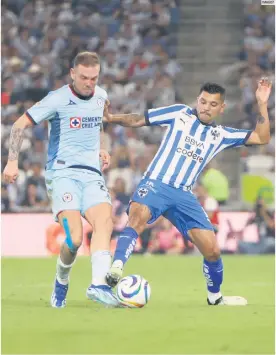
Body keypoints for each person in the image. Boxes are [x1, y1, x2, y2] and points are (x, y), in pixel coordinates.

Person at [104, 79, 272, 306]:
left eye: (213, 104)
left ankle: (215, 298)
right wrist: (112, 118)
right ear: (197, 100)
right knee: (137, 216)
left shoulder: (221, 135)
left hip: (183, 195)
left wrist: (262, 102)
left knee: (212, 250)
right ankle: (116, 267)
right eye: (203, 101)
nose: (206, 107)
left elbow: (261, 137)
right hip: (156, 182)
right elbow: (139, 120)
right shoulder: (179, 114)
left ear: (221, 108)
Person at [3, 51, 121, 308]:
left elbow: (98, 124)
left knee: (104, 222)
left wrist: (101, 147)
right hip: (63, 174)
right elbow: (19, 125)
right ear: (73, 74)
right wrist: (12, 161)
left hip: (91, 174)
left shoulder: (101, 96)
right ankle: (61, 280)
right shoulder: (57, 99)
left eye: (94, 77)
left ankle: (99, 285)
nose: (90, 83)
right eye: (84, 77)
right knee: (75, 240)